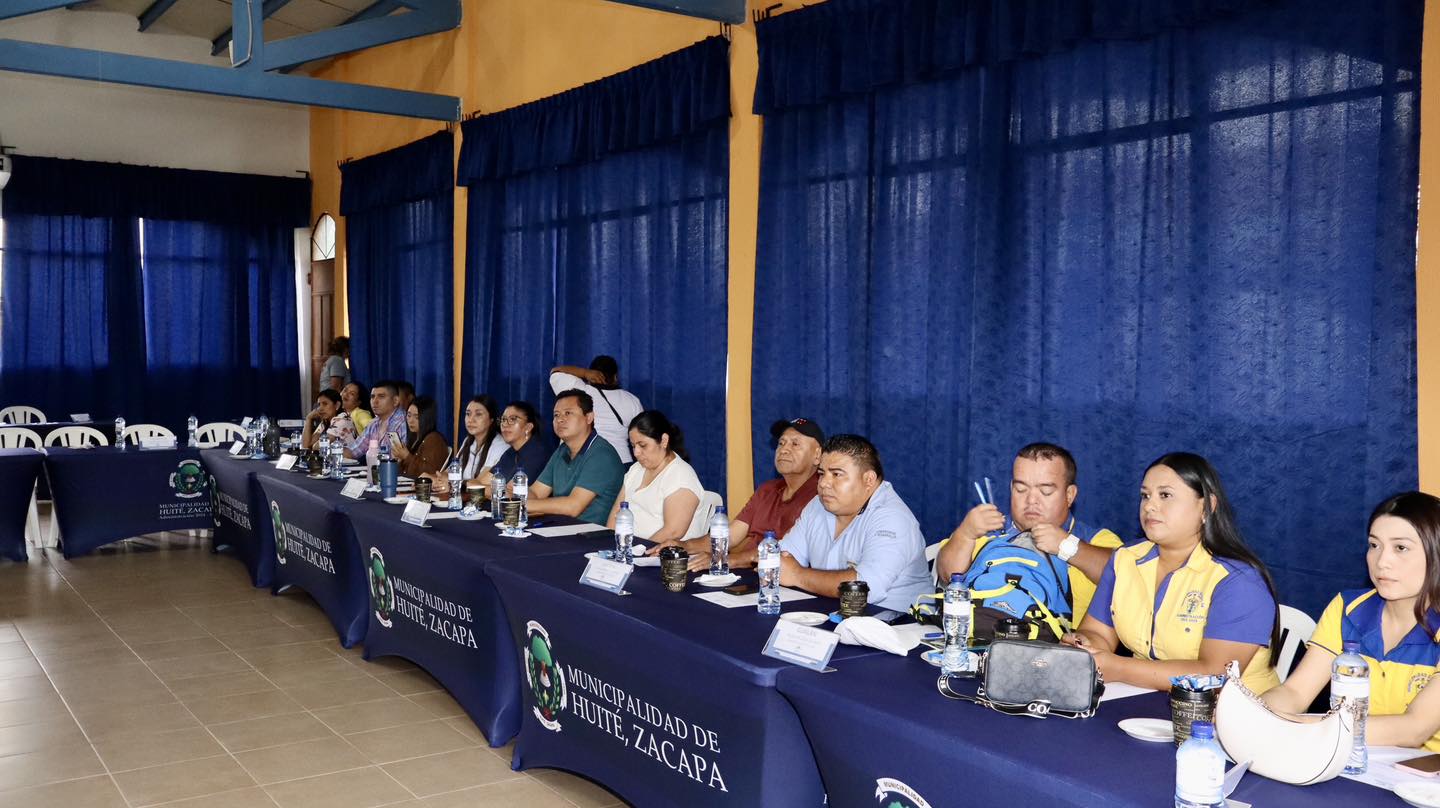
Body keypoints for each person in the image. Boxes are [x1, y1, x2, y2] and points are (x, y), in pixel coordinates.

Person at [1063, 453, 1281, 692]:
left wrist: (1118, 667)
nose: (1149, 506)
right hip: (1142, 701)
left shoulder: (1238, 581)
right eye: (1145, 495)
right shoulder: (1125, 559)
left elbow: (1214, 676)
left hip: (1230, 711)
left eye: (1165, 495)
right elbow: (1098, 632)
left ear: (1207, 507)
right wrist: (1086, 644)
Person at [1261, 492, 1440, 751]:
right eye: (1374, 545)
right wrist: (1259, 712)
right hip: (1359, 762)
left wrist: (1301, 726)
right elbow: (1296, 692)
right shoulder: (1347, 608)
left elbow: (1413, 729)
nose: (1382, 561)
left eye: (1400, 548)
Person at [935, 443, 1123, 623]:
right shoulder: (986, 531)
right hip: (981, 634)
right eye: (1021, 489)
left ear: (1069, 495)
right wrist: (965, 534)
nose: (1031, 500)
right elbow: (947, 575)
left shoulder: (1095, 539)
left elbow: (1126, 576)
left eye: (1045, 491)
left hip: (1064, 641)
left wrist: (1068, 547)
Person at [778, 434, 931, 612]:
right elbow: (783, 560)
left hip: (896, 622)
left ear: (868, 480)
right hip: (833, 615)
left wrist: (798, 575)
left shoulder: (893, 518)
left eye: (836, 474)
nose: (824, 483)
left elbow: (865, 589)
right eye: (821, 474)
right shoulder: (818, 505)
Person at [658, 417, 822, 572]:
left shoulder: (821, 497)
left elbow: (787, 551)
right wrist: (684, 545)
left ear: (817, 455)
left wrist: (725, 560)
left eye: (795, 444)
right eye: (781, 443)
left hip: (775, 579)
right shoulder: (767, 490)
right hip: (742, 571)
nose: (784, 450)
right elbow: (730, 536)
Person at [605, 411, 706, 543]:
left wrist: (639, 551)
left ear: (664, 440)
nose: (636, 453)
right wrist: (609, 545)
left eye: (642, 445)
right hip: (630, 549)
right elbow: (616, 512)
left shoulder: (680, 475)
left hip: (661, 552)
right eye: (633, 446)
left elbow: (673, 531)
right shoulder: (636, 469)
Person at [528, 389, 625, 525]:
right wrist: (514, 495)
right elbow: (537, 493)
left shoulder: (602, 454)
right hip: (561, 527)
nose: (560, 419)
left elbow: (573, 507)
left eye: (568, 413)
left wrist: (523, 504)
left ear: (589, 417)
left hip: (591, 533)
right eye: (556, 415)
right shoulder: (562, 450)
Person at [550, 356, 643, 463]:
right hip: (621, 461)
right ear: (615, 377)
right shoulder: (632, 400)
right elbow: (642, 434)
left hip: (585, 461)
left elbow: (555, 372)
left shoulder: (579, 391)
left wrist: (584, 373)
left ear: (591, 375)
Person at [477, 401, 552, 487]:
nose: (505, 424)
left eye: (512, 419)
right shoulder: (510, 452)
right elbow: (482, 484)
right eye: (503, 420)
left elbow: (511, 492)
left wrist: (487, 489)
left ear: (528, 427)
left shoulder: (537, 453)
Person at [345, 380, 407, 459]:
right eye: (372, 397)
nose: (375, 401)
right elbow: (354, 450)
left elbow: (399, 460)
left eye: (381, 396)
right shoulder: (374, 423)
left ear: (395, 401)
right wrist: (335, 451)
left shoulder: (401, 422)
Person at [451, 396, 506, 482]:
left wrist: (450, 482)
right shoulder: (468, 440)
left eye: (478, 414)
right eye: (468, 414)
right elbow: (450, 471)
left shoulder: (500, 445)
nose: (470, 420)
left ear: (491, 420)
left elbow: (479, 482)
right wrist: (437, 478)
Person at [391, 396, 448, 477]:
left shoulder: (434, 439)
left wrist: (407, 457)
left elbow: (430, 472)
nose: (411, 421)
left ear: (426, 418)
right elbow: (404, 473)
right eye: (409, 415)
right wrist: (399, 460)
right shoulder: (414, 438)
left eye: (417, 417)